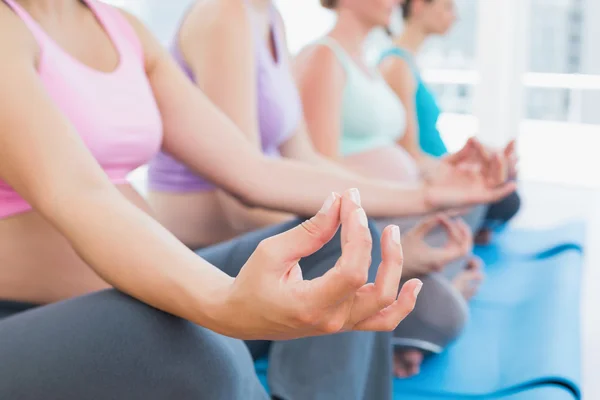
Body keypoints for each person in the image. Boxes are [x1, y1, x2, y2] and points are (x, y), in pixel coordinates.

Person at [0, 0, 427, 398]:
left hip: (126, 287)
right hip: (20, 317)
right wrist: (222, 304)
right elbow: (78, 193)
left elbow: (251, 169)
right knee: (193, 347)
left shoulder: (121, 28)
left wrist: (430, 196)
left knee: (340, 247)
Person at [293, 0, 508, 378]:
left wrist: (441, 178)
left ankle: (430, 281)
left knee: (478, 204)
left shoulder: (368, 64)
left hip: (398, 209)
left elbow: (401, 151)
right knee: (446, 313)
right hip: (366, 220)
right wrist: (416, 192)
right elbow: (320, 175)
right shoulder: (323, 58)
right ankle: (436, 285)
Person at [379, 0, 521, 244]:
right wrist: (451, 173)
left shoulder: (407, 63)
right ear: (418, 6)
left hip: (434, 168)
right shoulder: (397, 66)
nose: (454, 17)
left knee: (505, 180)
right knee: (509, 199)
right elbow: (407, 151)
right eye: (447, 7)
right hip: (423, 176)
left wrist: (469, 163)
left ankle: (466, 227)